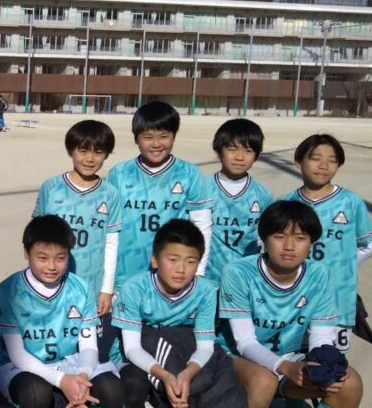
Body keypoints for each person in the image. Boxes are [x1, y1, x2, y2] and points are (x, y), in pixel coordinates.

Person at [215, 201, 362, 408]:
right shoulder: (238, 272)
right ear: (264, 238)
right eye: (279, 236)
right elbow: (244, 342)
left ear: (311, 243)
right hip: (234, 356)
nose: (289, 246)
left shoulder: (320, 274)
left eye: (300, 238)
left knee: (349, 383)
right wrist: (285, 367)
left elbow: (321, 335)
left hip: (289, 357)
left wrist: (319, 366)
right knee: (264, 380)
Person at [0, 216, 124, 408]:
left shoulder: (79, 288)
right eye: (42, 257)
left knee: (113, 391)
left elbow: (88, 345)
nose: (51, 266)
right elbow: (18, 354)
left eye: (60, 258)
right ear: (26, 253)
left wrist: (82, 376)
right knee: (36, 393)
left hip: (69, 363)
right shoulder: (9, 289)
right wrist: (63, 381)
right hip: (20, 367)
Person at [110, 219, 222, 408]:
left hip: (181, 350)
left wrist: (188, 373)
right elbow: (131, 347)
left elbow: (205, 345)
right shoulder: (135, 287)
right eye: (173, 259)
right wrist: (166, 375)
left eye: (190, 261)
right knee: (133, 383)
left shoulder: (206, 291)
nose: (181, 269)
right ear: (155, 259)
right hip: (138, 352)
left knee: (219, 379)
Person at [283, 134, 372, 355]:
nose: (324, 166)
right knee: (291, 360)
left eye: (332, 160)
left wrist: (342, 264)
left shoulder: (351, 202)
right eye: (315, 158)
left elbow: (369, 245)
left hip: (338, 301)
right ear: (298, 161)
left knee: (331, 364)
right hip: (292, 300)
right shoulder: (286, 203)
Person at [105, 100, 213, 290]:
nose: (156, 144)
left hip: (172, 276)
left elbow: (202, 226)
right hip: (125, 275)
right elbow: (109, 229)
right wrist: (107, 282)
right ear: (136, 138)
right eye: (148, 137)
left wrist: (197, 273)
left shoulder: (189, 173)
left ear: (174, 136)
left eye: (164, 136)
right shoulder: (119, 173)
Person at [33, 120, 123, 317]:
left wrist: (107, 289)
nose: (90, 159)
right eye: (82, 151)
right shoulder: (51, 187)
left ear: (107, 154)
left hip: (91, 283)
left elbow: (111, 243)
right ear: (70, 150)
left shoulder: (110, 194)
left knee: (87, 333)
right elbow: (35, 237)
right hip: (51, 280)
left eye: (98, 152)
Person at [202, 119, 274, 284]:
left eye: (248, 151)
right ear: (218, 151)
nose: (240, 157)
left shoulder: (263, 196)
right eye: (232, 149)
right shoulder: (202, 190)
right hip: (208, 278)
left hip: (246, 279)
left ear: (257, 155)